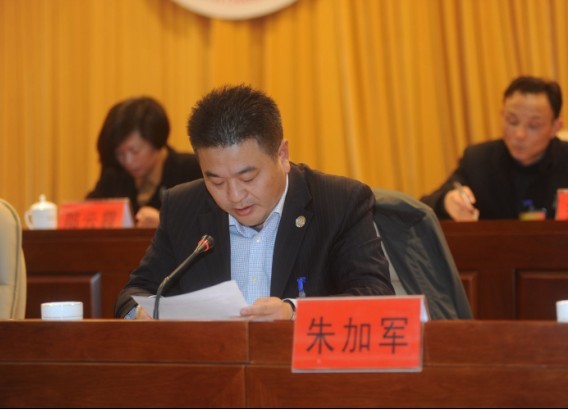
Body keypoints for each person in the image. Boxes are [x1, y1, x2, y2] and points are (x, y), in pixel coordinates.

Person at [115, 85, 394, 320]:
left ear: (282, 155)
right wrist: (141, 315)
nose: (235, 195)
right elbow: (134, 293)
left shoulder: (339, 202)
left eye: (247, 177)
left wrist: (293, 312)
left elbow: (376, 295)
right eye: (216, 181)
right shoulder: (182, 206)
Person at [421, 76, 567, 221]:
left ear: (555, 127)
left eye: (533, 125)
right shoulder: (478, 160)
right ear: (502, 115)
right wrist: (446, 203)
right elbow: (423, 209)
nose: (519, 134)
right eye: (512, 121)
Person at [86, 96, 202, 227]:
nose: (128, 161)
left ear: (156, 140)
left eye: (134, 151)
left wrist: (166, 225)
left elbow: (210, 226)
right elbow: (88, 215)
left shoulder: (192, 170)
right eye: (120, 154)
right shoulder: (114, 175)